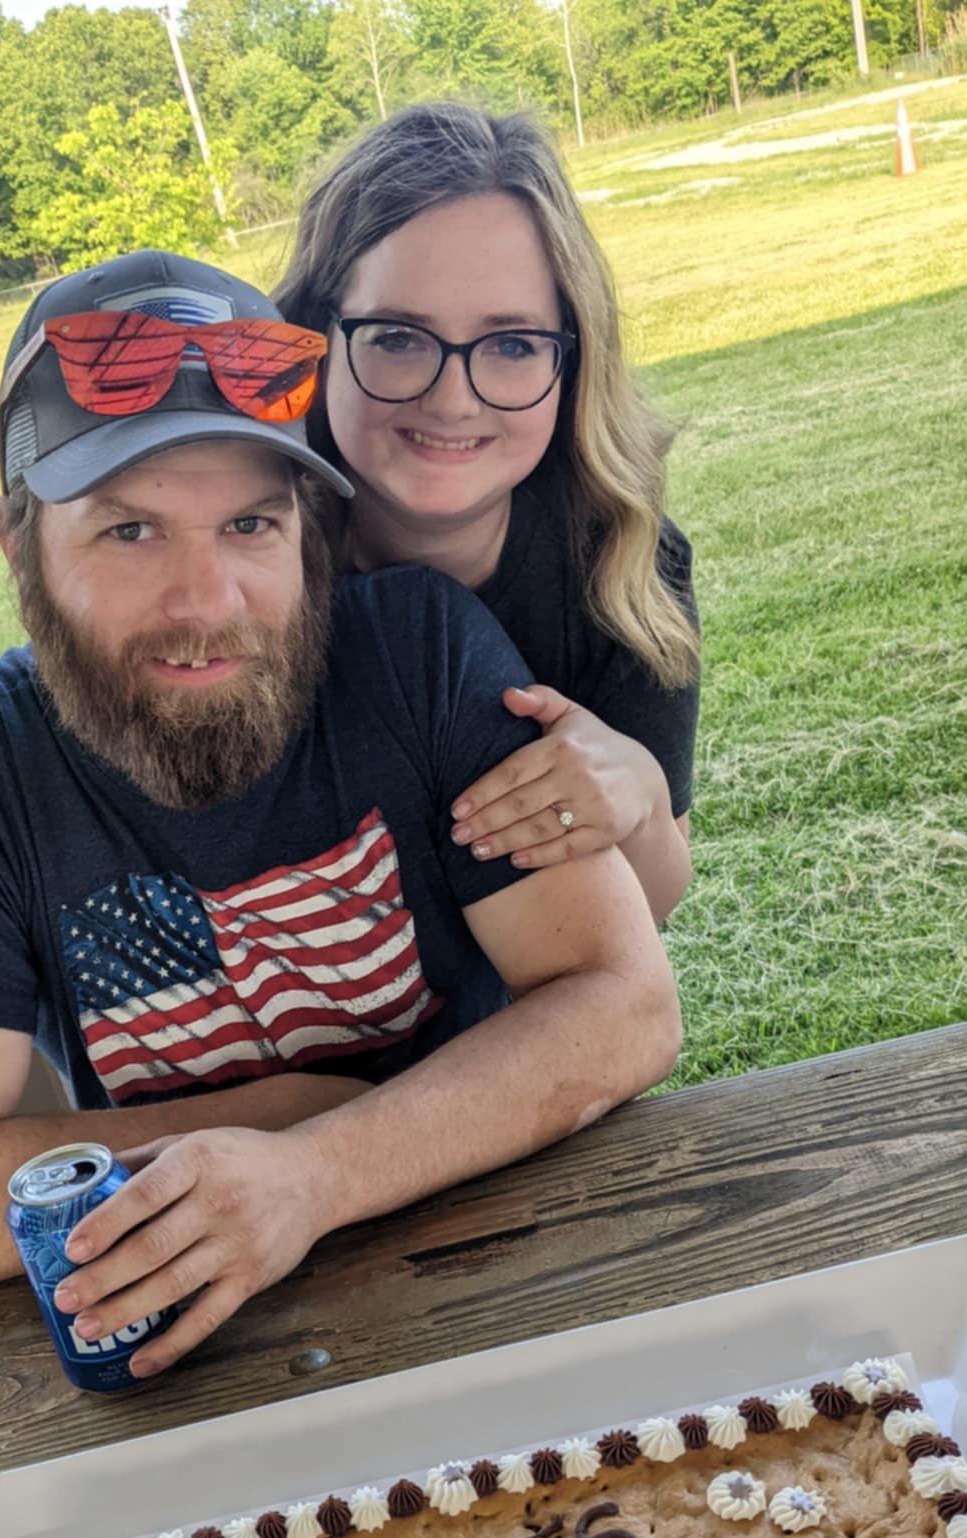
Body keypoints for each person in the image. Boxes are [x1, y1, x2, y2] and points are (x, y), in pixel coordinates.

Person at [0, 250, 681, 1380]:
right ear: (19, 543)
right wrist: (285, 1109)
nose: (205, 602)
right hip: (202, 1347)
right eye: (128, 532)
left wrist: (313, 1171)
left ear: (306, 533)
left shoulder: (414, 653)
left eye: (249, 526)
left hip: (524, 1262)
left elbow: (624, 1007)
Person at [274, 102, 702, 924]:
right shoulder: (245, 560)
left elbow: (652, 904)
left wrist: (638, 797)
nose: (452, 397)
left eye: (510, 345)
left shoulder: (622, 568)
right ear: (317, 336)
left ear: (571, 358)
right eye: (399, 336)